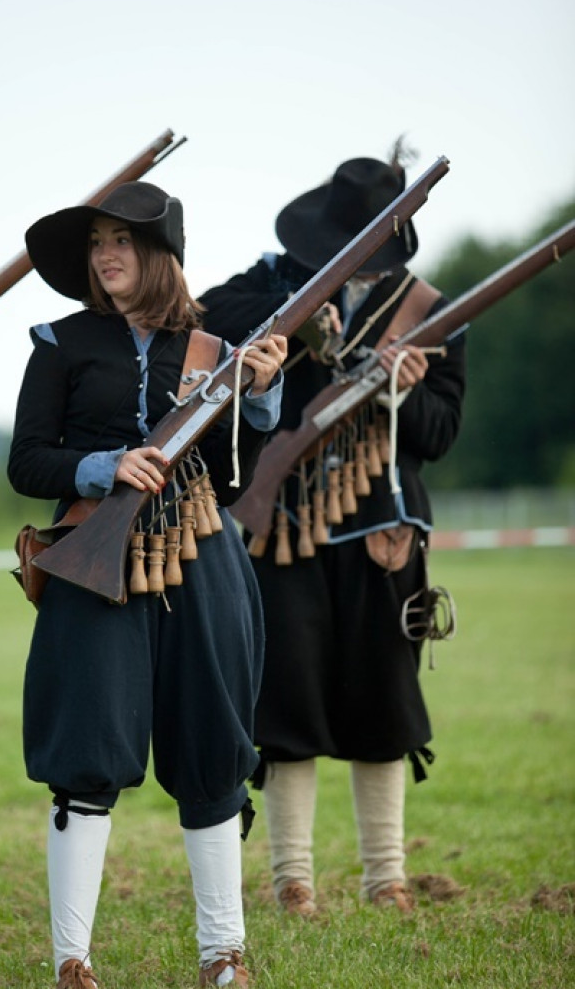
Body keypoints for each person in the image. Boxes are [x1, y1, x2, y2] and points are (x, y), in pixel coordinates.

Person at [7, 181, 288, 989]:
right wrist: (101, 468)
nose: (106, 255)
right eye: (98, 242)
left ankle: (223, 954)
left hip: (202, 559)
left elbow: (231, 482)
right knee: (86, 750)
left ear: (160, 254)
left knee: (212, 749)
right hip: (92, 562)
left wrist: (260, 396)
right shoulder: (58, 343)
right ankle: (71, 960)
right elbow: (27, 461)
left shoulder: (212, 351)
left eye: (122, 240)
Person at [199, 148, 466, 918]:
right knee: (286, 707)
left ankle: (386, 877)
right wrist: (289, 330)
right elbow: (209, 321)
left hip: (382, 529)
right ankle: (294, 882)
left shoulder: (432, 313)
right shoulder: (273, 282)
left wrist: (402, 389)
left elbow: (441, 433)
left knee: (384, 701)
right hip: (282, 526)